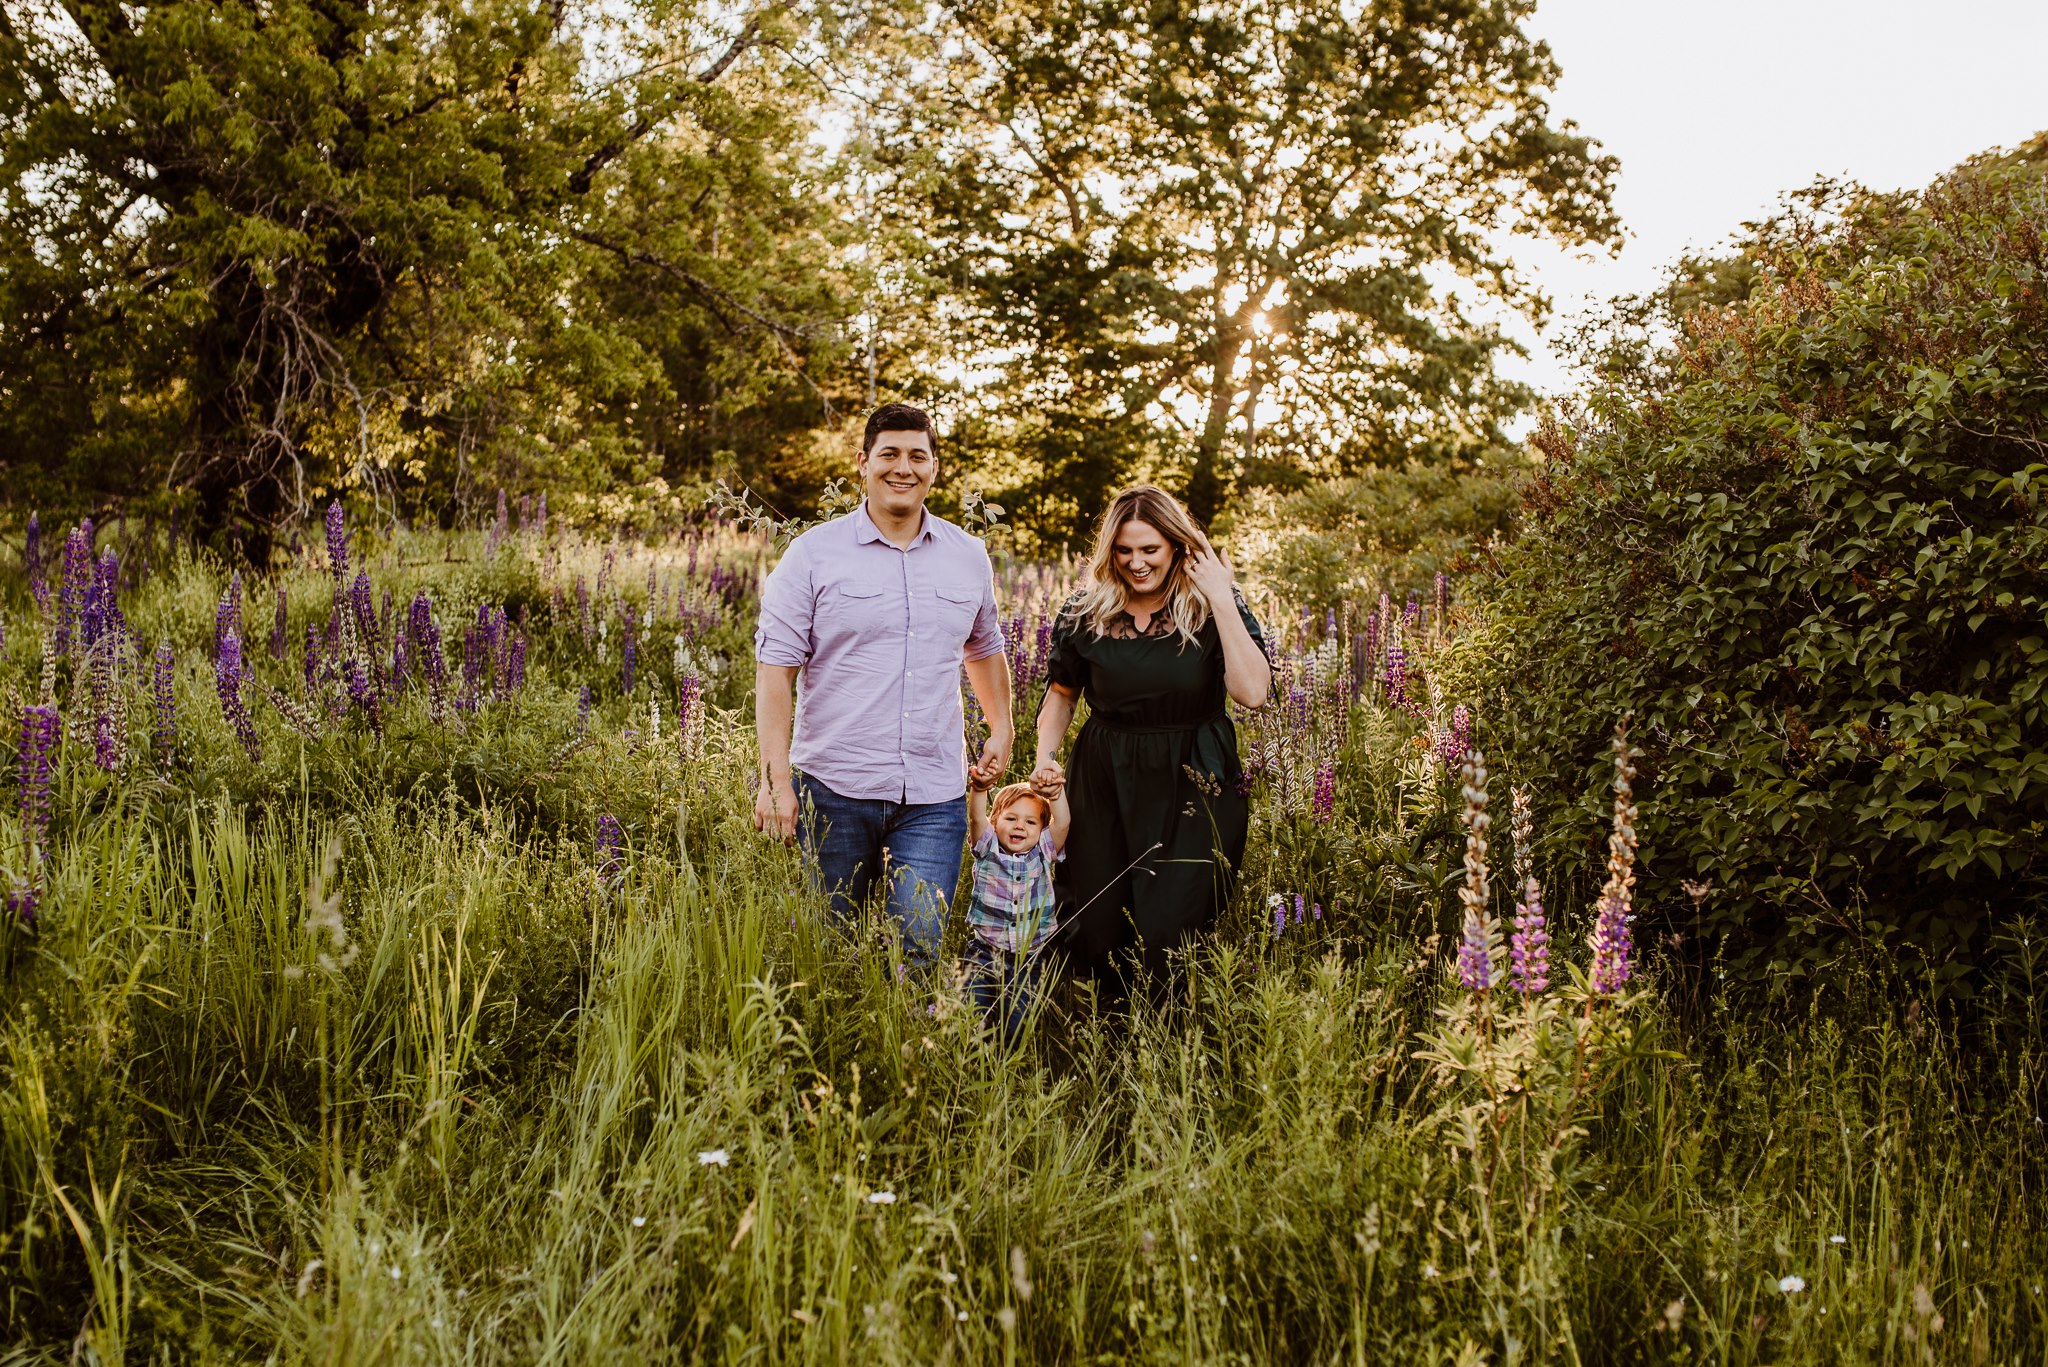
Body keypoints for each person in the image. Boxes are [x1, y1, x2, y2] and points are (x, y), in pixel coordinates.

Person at [752, 402, 1015, 967]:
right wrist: (775, 780)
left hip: (934, 795)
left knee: (916, 953)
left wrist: (1002, 727)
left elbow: (985, 647)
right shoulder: (813, 555)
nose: (904, 468)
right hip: (834, 788)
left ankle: (908, 1053)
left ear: (935, 467)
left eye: (917, 456)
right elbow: (776, 669)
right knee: (828, 954)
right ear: (863, 463)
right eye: (889, 454)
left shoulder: (968, 556)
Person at [1031, 485, 1271, 996]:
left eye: (1149, 549)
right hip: (1103, 777)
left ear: (1178, 546)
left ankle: (1169, 1042)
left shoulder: (1209, 609)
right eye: (1123, 550)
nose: (1135, 563)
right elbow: (1061, 694)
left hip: (1193, 780)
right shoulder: (1085, 611)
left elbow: (1252, 692)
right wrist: (1045, 758)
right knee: (1099, 923)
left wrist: (1221, 596)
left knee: (1172, 925)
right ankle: (1110, 1046)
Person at [963, 774, 1070, 1037]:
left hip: (1028, 959)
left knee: (1017, 1026)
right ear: (996, 820)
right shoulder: (988, 847)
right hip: (983, 954)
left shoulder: (1043, 851)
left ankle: (1008, 1068)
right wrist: (979, 788)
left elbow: (1063, 822)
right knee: (973, 1020)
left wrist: (1055, 794)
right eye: (1011, 818)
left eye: (1030, 822)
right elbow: (977, 819)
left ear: (1042, 828)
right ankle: (975, 1065)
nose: (1020, 826)